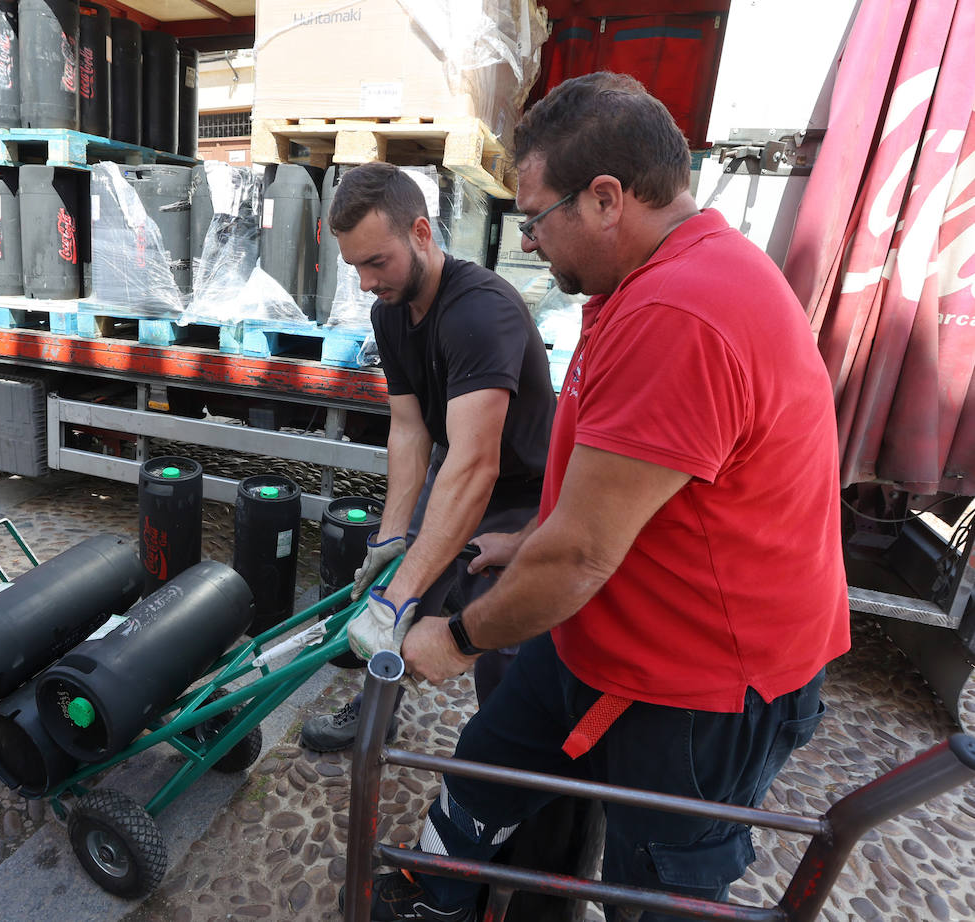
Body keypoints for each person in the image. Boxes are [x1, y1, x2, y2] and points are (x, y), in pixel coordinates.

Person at [356, 73, 851, 922]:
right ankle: (434, 890)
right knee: (486, 769)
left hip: (700, 683)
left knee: (655, 884)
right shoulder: (638, 285)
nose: (531, 239)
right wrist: (533, 537)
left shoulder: (682, 312)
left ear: (608, 198)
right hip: (603, 623)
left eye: (537, 215)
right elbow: (616, 493)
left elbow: (584, 554)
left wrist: (461, 636)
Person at [299, 162, 556, 752]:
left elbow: (477, 463)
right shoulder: (388, 313)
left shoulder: (478, 311)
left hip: (524, 487)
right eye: (354, 266)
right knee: (401, 580)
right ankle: (375, 711)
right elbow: (411, 431)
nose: (364, 281)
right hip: (457, 466)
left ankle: (503, 755)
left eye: (376, 262)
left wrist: (400, 592)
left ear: (420, 233)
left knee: (499, 629)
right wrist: (393, 542)